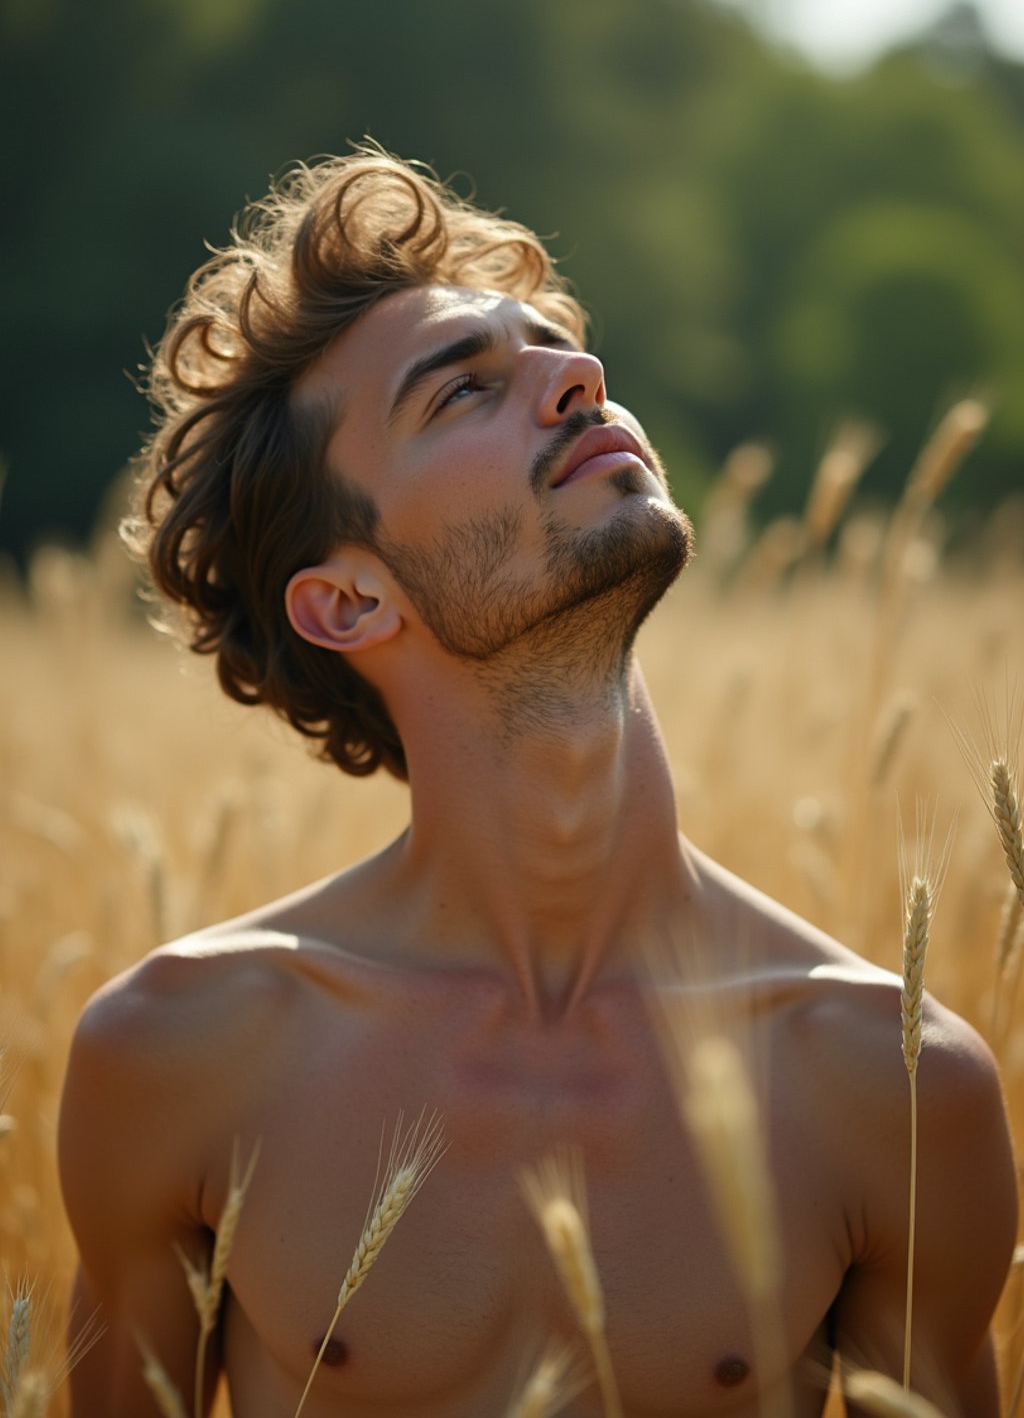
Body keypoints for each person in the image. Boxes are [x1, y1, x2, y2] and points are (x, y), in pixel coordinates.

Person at [58, 147, 1016, 1418]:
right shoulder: (187, 1053)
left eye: (558, 351)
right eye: (463, 393)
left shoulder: (886, 1086)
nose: (579, 378)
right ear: (349, 598)